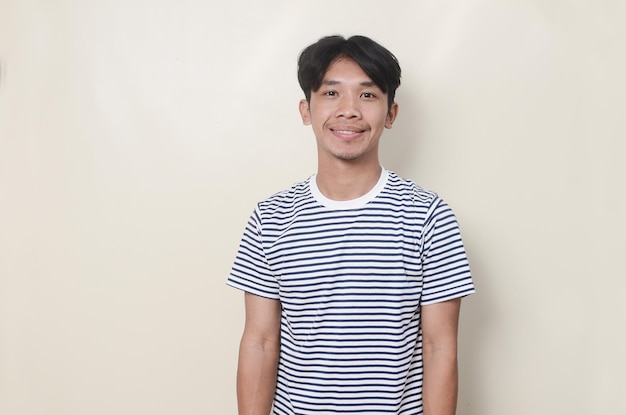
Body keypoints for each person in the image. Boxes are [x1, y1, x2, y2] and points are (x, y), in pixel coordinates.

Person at [227, 34, 475, 415]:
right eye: (331, 94)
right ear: (305, 110)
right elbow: (259, 341)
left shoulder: (429, 215)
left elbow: (440, 346)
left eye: (368, 95)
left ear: (391, 114)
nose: (349, 110)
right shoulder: (270, 217)